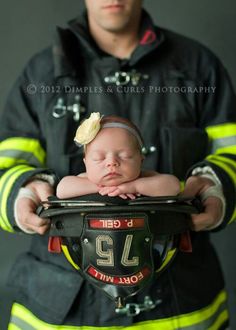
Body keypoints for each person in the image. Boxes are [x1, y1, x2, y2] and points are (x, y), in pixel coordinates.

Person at [0, 0, 235, 329]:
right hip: (58, 309)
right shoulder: (41, 75)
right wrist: (22, 192)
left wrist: (216, 188)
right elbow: (6, 163)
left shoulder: (198, 67)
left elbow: (231, 152)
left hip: (182, 305)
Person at [56, 113, 181, 199]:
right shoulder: (86, 179)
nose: (112, 162)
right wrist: (102, 188)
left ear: (141, 159)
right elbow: (61, 190)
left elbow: (174, 186)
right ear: (86, 162)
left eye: (125, 156)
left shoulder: (144, 178)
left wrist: (134, 187)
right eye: (99, 158)